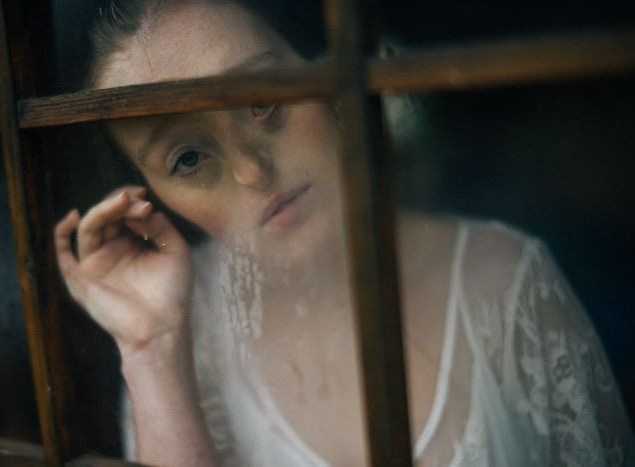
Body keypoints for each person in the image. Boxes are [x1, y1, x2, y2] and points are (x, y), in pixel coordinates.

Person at [54, 0, 635, 465]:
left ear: (324, 71)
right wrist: (153, 350)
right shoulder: (180, 329)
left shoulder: (504, 279)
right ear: (150, 197)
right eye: (186, 159)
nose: (253, 171)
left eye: (260, 100)